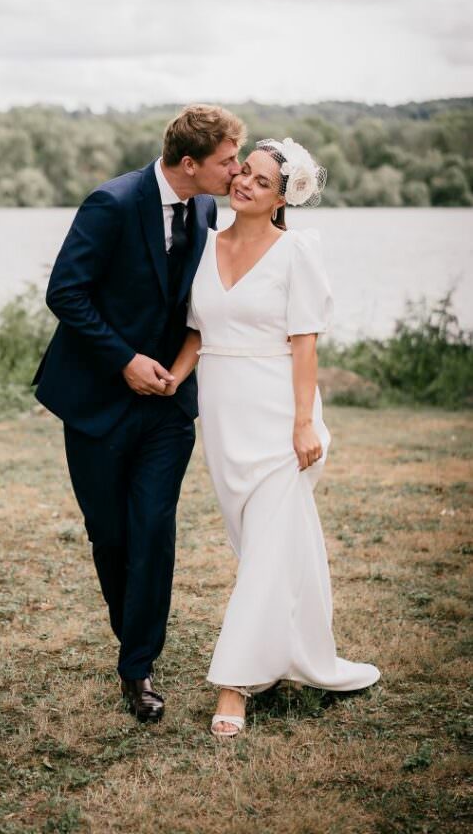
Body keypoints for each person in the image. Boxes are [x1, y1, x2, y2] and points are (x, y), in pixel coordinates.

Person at [33, 104, 245, 722]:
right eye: (227, 160)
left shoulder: (206, 206)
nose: (235, 171)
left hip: (168, 405)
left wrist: (179, 369)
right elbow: (64, 292)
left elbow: (195, 302)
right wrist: (124, 359)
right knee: (112, 536)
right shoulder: (113, 203)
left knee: (153, 529)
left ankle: (138, 668)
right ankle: (136, 636)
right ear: (190, 165)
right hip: (97, 399)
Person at [163, 137, 381, 737]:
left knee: (263, 552)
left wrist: (304, 421)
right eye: (243, 173)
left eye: (261, 181)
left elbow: (305, 338)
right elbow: (197, 333)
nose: (244, 184)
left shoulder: (295, 254)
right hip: (225, 415)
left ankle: (234, 685)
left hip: (280, 414)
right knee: (262, 544)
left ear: (283, 198)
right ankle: (296, 651)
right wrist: (172, 378)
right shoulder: (204, 246)